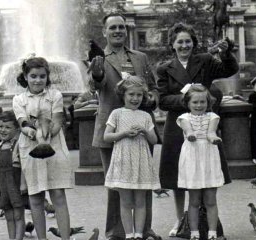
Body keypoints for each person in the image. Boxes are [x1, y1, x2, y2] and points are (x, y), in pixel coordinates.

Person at [156, 22, 238, 236]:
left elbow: (229, 69)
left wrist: (227, 52)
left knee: (205, 172)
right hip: (179, 125)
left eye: (188, 41)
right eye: (179, 42)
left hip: (204, 127)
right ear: (172, 44)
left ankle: (206, 221)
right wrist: (189, 98)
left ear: (193, 43)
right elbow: (163, 100)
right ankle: (179, 220)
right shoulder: (164, 68)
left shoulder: (205, 60)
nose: (184, 45)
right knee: (177, 176)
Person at [89, 12, 160, 240]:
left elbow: (153, 87)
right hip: (111, 128)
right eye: (113, 28)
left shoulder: (140, 57)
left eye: (121, 27)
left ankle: (143, 230)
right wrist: (97, 72)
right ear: (104, 32)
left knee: (143, 183)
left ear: (126, 30)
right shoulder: (99, 57)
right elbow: (95, 85)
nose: (117, 31)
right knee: (114, 185)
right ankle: (115, 232)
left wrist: (153, 99)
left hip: (140, 129)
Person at [12, 56, 73, 240]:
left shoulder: (55, 95)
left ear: (47, 77)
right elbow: (22, 123)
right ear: (26, 76)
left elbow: (57, 122)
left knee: (58, 195)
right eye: (33, 76)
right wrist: (32, 133)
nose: (38, 80)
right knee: (36, 198)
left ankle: (65, 238)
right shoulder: (18, 99)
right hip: (30, 149)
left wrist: (45, 135)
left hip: (53, 146)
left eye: (42, 76)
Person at [104, 76, 160, 240]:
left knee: (141, 201)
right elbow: (106, 136)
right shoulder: (117, 114)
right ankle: (129, 234)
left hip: (141, 161)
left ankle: (139, 234)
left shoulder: (145, 116)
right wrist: (123, 133)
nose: (135, 98)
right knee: (126, 201)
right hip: (124, 161)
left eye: (139, 95)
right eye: (131, 94)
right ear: (123, 95)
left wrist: (144, 130)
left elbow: (154, 140)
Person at [177, 84, 224, 240]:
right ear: (188, 103)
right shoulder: (184, 117)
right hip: (192, 158)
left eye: (202, 102)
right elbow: (188, 130)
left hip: (208, 156)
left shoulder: (213, 117)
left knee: (211, 199)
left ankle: (212, 232)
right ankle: (194, 232)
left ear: (208, 102)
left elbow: (210, 132)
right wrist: (190, 134)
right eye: (195, 102)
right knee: (194, 200)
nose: (199, 105)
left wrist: (213, 138)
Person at [0, 111, 25, 240]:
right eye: (0, 126)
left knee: (18, 215)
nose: (3, 130)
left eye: (8, 127)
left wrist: (23, 183)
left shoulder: (19, 146)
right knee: (9, 216)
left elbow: (23, 167)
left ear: (17, 129)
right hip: (3, 185)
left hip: (15, 185)